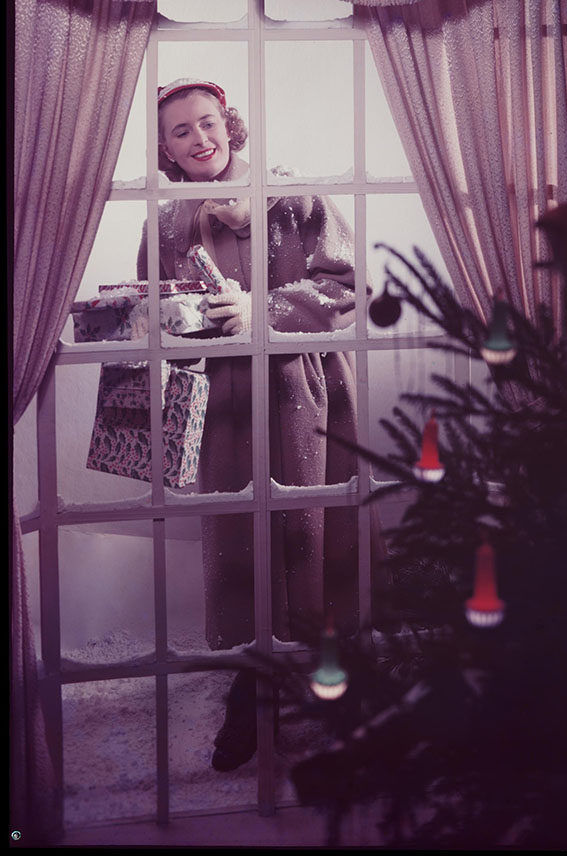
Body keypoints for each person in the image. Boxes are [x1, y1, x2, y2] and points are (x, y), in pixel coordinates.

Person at [138, 78, 365, 771]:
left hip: (304, 386)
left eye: (208, 123)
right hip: (221, 397)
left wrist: (262, 310)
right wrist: (180, 317)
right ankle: (254, 684)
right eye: (182, 132)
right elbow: (151, 302)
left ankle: (331, 681)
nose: (200, 139)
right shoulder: (166, 218)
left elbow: (347, 285)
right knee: (243, 537)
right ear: (168, 151)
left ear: (229, 125)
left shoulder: (291, 194)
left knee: (310, 529)